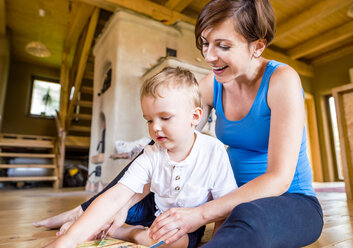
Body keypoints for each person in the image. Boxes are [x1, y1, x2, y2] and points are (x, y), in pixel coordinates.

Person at [36, 0, 324, 247]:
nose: (209, 56)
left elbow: (279, 178)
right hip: (223, 198)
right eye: (205, 43)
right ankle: (85, 215)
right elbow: (166, 142)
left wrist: (200, 215)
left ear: (257, 46)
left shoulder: (281, 81)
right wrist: (115, 207)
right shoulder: (212, 85)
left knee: (249, 219)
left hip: (287, 200)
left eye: (222, 46)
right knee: (154, 152)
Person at [45, 67, 237, 248]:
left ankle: (127, 234)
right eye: (149, 120)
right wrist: (70, 240)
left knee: (177, 243)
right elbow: (115, 196)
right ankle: (80, 228)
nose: (155, 127)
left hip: (185, 222)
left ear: (195, 117)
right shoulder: (152, 152)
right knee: (109, 207)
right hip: (151, 208)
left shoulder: (214, 151)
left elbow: (224, 209)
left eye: (165, 117)